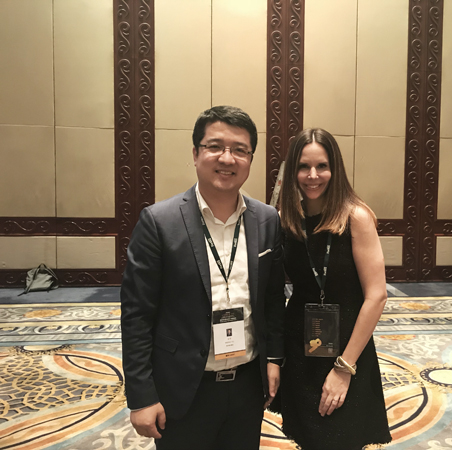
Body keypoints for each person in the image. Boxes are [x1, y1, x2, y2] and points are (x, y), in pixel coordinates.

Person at [120, 105, 286, 450]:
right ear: (196, 154)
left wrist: (274, 359)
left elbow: (272, 299)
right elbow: (137, 315)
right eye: (215, 147)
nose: (227, 158)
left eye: (240, 150)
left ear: (250, 160)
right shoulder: (159, 222)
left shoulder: (267, 219)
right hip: (183, 387)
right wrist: (141, 396)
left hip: (247, 385)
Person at [274, 128, 392, 449]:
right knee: (307, 437)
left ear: (335, 168)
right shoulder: (287, 220)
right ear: (292, 171)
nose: (312, 176)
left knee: (341, 436)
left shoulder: (356, 217)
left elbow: (376, 296)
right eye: (303, 167)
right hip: (300, 347)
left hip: (348, 349)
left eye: (322, 166)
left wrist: (344, 368)